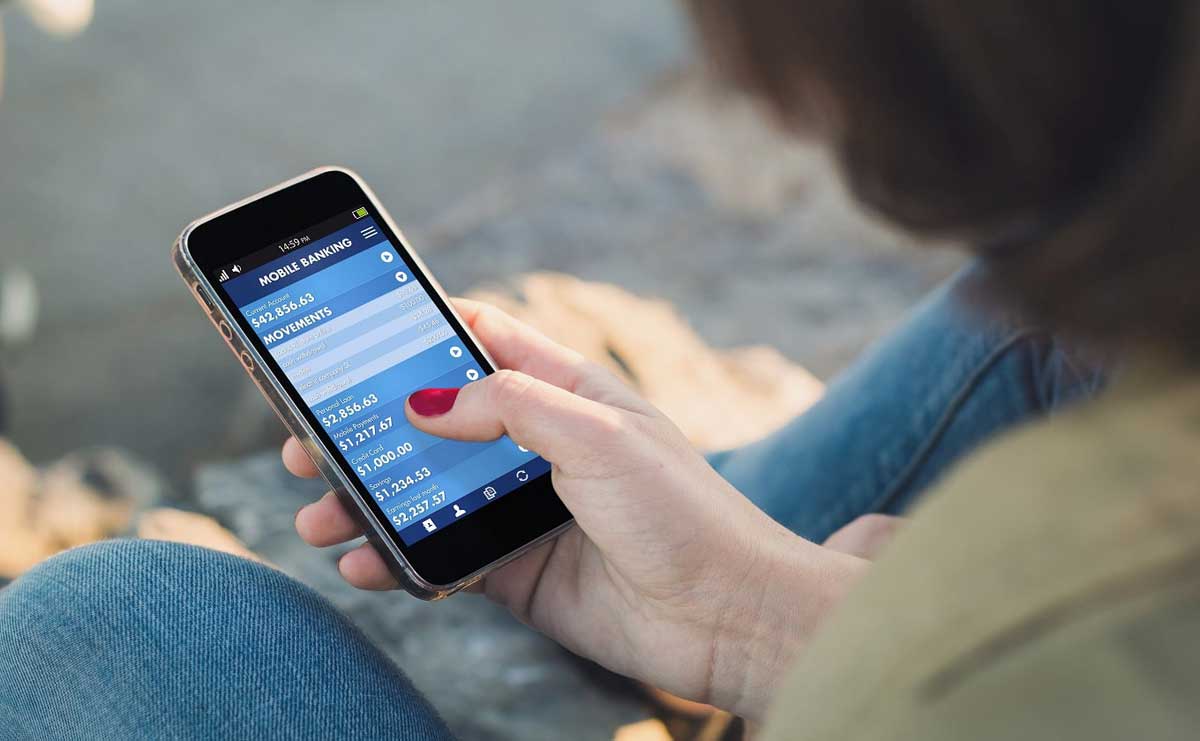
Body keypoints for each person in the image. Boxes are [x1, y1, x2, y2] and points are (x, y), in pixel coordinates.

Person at [3, 2, 1198, 739]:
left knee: (109, 617)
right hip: (823, 637)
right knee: (1038, 312)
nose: (749, 83)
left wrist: (855, 670)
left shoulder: (989, 680)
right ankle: (654, 610)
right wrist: (766, 619)